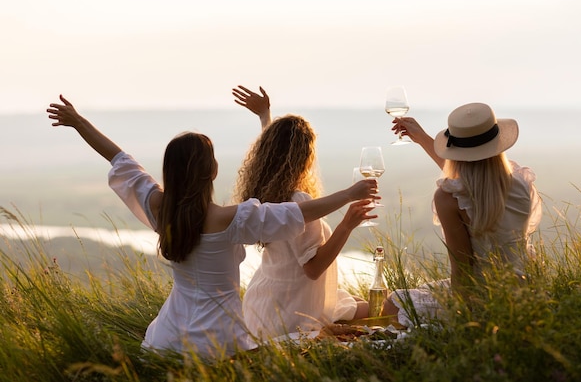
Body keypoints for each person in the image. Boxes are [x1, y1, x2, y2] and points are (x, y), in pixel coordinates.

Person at [46, 95, 378, 358]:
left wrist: (79, 123)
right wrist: (349, 194)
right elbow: (297, 212)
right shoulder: (232, 220)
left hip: (168, 338)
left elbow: (119, 159)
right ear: (212, 172)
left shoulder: (160, 208)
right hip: (219, 344)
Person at [231, 85, 374, 339]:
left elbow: (275, 151)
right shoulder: (299, 200)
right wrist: (346, 225)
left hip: (263, 307)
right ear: (305, 157)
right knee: (377, 308)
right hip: (293, 313)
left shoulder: (265, 192)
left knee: (355, 301)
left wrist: (266, 117)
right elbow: (313, 269)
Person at [382, 102, 542, 326]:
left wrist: (464, 322)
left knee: (394, 303)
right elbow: (471, 181)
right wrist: (422, 138)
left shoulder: (447, 198)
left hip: (481, 299)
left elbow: (462, 272)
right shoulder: (521, 182)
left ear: (454, 149)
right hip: (526, 289)